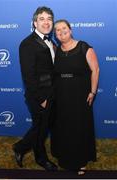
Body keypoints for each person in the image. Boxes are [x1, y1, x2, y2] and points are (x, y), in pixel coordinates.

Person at [51, 19, 99, 174]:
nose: (61, 31)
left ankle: (81, 161)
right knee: (64, 127)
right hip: (61, 95)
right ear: (55, 34)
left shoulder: (84, 47)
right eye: (57, 30)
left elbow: (95, 70)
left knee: (79, 128)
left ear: (70, 30)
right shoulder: (56, 50)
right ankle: (65, 158)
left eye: (64, 28)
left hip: (80, 95)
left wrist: (92, 92)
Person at [12, 6, 57, 171]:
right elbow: (28, 76)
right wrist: (41, 99)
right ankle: (41, 158)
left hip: (52, 93)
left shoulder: (51, 41)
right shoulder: (27, 44)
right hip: (39, 96)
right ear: (34, 22)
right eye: (42, 18)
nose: (46, 22)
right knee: (41, 128)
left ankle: (20, 147)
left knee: (41, 127)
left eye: (49, 19)